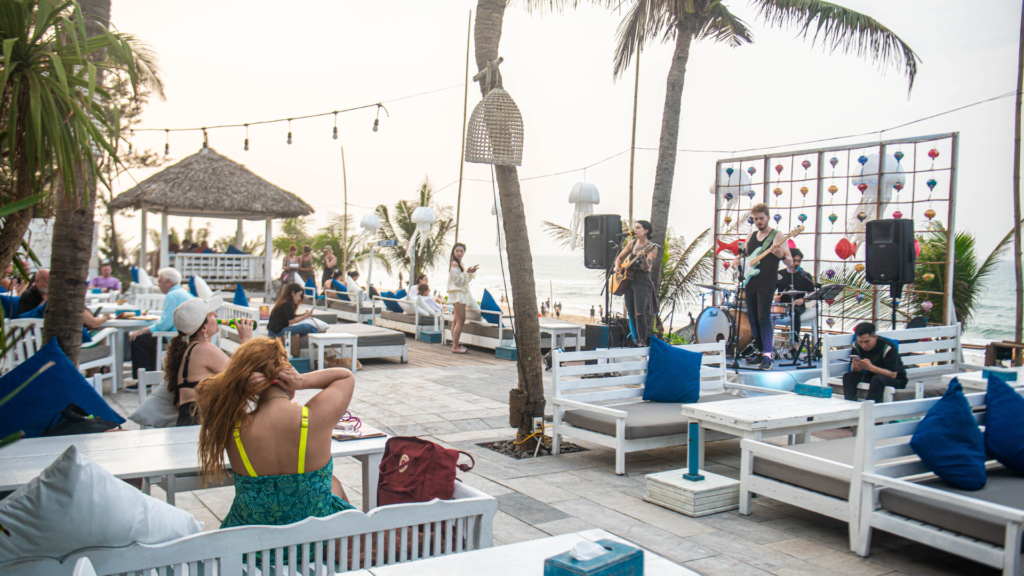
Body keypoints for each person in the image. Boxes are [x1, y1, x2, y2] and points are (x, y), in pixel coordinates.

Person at [195, 339, 356, 535]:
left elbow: (202, 391)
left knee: (332, 483)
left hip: (252, 546)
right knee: (332, 483)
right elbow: (345, 377)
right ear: (287, 373)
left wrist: (239, 381)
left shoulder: (232, 427)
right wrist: (303, 381)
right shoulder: (314, 418)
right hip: (314, 542)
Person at [166, 298, 254, 426]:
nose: (217, 315)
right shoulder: (204, 349)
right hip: (197, 423)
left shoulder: (191, 348)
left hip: (188, 420)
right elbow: (244, 376)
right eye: (211, 314)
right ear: (204, 327)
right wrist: (247, 340)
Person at [732, 203, 794, 371]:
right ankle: (760, 352)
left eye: (761, 218)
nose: (758, 221)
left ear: (768, 218)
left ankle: (768, 354)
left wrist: (780, 255)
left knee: (763, 317)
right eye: (755, 219)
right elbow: (746, 256)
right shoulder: (751, 235)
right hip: (750, 281)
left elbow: (790, 261)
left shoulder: (777, 236)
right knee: (752, 317)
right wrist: (737, 260)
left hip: (767, 282)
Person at [130, 267, 195, 379]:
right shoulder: (183, 292)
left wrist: (143, 331)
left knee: (138, 339)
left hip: (177, 337)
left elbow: (166, 324)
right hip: (186, 334)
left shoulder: (172, 295)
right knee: (147, 339)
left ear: (168, 281)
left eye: (160, 281)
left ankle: (144, 379)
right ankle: (150, 375)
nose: (158, 285)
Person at [614, 220, 661, 347]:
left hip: (642, 280)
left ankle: (642, 342)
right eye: (635, 228)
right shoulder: (632, 243)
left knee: (639, 313)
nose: (635, 230)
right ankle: (635, 341)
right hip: (628, 281)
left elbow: (647, 268)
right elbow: (619, 258)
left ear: (646, 231)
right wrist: (617, 267)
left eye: (638, 228)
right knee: (630, 313)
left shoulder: (652, 247)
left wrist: (642, 258)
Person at [842, 322, 907, 402]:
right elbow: (857, 371)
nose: (864, 345)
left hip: (897, 379)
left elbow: (893, 374)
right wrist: (855, 367)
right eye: (860, 342)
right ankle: (850, 404)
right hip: (873, 376)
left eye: (867, 341)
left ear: (875, 337)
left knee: (877, 379)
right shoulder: (856, 345)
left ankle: (868, 407)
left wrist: (871, 368)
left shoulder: (888, 347)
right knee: (848, 376)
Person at [775, 248, 816, 337]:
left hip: (797, 305)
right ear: (788, 260)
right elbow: (770, 291)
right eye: (794, 260)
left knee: (795, 312)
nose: (797, 263)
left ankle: (795, 339)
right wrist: (774, 297)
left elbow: (812, 294)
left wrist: (803, 300)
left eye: (799, 261)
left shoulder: (805, 275)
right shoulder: (779, 274)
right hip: (782, 305)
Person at [447, 243, 479, 354]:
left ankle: (455, 344)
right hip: (458, 294)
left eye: (461, 251)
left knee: (456, 320)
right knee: (460, 320)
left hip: (459, 293)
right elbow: (457, 281)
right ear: (453, 252)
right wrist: (466, 272)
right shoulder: (454, 263)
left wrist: (469, 273)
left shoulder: (460, 263)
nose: (459, 253)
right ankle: (455, 347)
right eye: (457, 251)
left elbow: (465, 280)